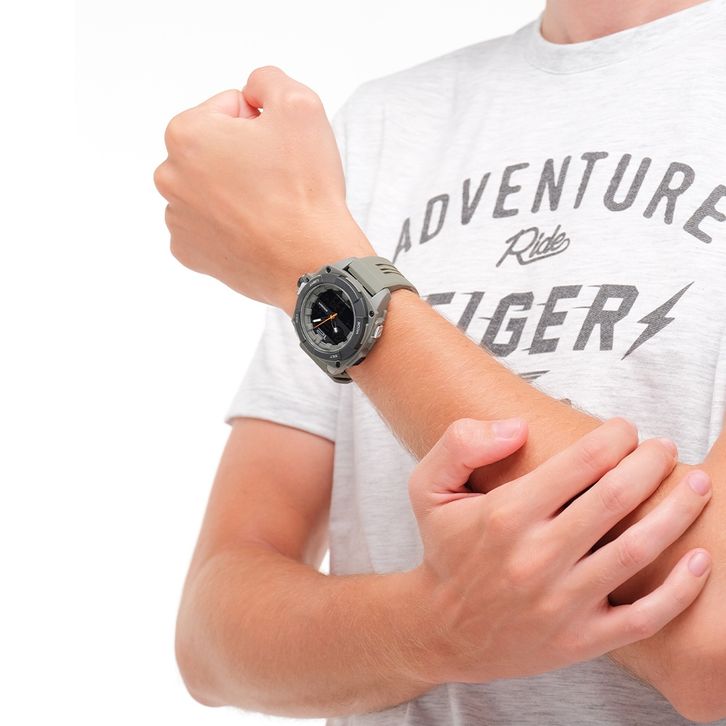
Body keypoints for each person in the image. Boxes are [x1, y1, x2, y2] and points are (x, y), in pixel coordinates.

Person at [153, 0, 726, 723]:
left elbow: (714, 649)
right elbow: (213, 637)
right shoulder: (381, 125)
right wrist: (434, 628)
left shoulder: (314, 201)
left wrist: (327, 270)